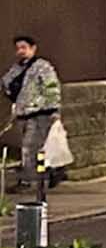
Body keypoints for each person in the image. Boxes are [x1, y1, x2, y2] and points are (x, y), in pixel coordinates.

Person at [4, 36, 63, 192]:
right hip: (23, 113)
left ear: (33, 48)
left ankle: (29, 181)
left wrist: (51, 109)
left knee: (29, 147)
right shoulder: (17, 68)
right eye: (18, 48)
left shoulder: (42, 67)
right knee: (36, 148)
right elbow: (7, 83)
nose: (20, 51)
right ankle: (52, 172)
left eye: (24, 47)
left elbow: (52, 89)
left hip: (40, 113)